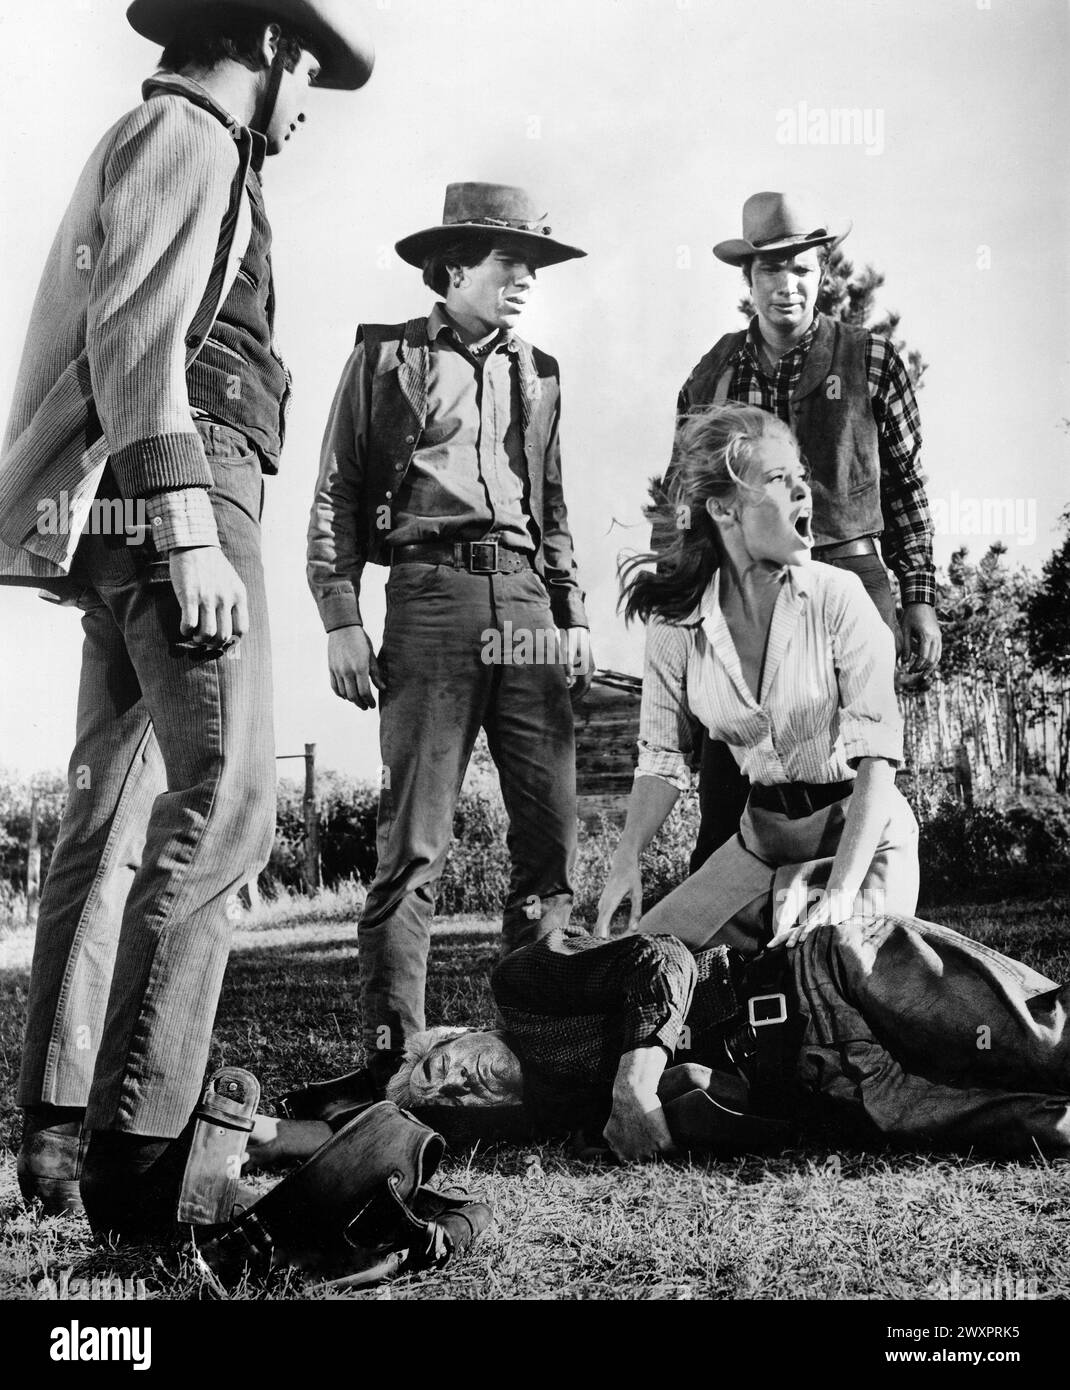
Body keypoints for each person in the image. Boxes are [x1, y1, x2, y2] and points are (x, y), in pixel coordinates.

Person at [2, 0, 373, 1239]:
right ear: (268, 48)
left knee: (105, 821)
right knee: (226, 800)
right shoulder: (193, 134)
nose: (308, 105)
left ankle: (59, 1137)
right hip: (184, 489)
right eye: (308, 71)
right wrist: (187, 523)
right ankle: (145, 1157)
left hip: (126, 511)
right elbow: (136, 337)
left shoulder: (153, 131)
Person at [306, 182, 593, 1102]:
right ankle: (396, 1061)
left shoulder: (540, 371)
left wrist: (573, 612)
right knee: (415, 841)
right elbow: (335, 494)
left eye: (533, 268)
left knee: (549, 837)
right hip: (427, 595)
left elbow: (552, 507)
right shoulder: (384, 356)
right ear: (456, 266)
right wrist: (341, 616)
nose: (525, 281)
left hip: (527, 599)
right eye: (511, 264)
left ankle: (547, 1049)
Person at [252, 913, 1070, 1167]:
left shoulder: (525, 990)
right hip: (849, 1095)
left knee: (1047, 1044)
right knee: (1046, 1128)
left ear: (456, 1031)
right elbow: (365, 1137)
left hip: (830, 978)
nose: (456, 1081)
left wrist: (635, 1081)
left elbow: (661, 955)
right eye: (446, 1097)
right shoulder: (545, 1121)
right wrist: (264, 1135)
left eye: (439, 1063)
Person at [657, 192, 941, 869]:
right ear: (747, 282)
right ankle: (721, 953)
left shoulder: (873, 361)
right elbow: (686, 508)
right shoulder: (711, 376)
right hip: (745, 593)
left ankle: (857, 934)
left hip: (852, 575)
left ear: (822, 274)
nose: (787, 287)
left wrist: (921, 599)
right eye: (769, 273)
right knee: (732, 781)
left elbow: (906, 491)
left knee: (851, 765)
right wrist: (682, 614)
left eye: (802, 271)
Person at [598, 402, 919, 958]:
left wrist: (841, 893)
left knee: (835, 973)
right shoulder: (677, 625)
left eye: (802, 478)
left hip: (862, 833)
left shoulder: (839, 598)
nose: (803, 493)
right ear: (723, 509)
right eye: (778, 479)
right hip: (761, 839)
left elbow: (878, 758)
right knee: (644, 960)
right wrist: (627, 857)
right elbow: (661, 757)